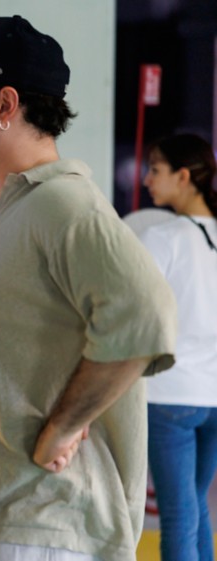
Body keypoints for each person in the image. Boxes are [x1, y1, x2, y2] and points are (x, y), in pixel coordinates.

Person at [0, 15, 177, 561]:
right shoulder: (14, 207)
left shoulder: (62, 203)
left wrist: (62, 427)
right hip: (2, 518)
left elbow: (145, 319)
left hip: (41, 524)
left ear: (5, 105)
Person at [138, 133, 217, 561]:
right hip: (214, 398)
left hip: (169, 397)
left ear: (184, 176)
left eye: (155, 169)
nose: (147, 178)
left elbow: (134, 312)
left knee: (179, 513)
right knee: (194, 507)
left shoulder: (161, 238)